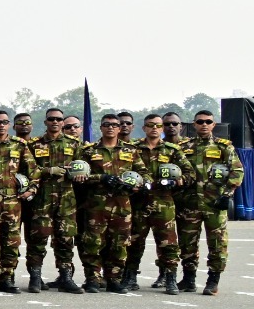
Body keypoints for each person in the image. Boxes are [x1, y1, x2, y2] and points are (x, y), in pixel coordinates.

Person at [77, 114, 147, 293]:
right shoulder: (90, 151)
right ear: (101, 128)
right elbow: (79, 176)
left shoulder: (131, 150)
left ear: (119, 128)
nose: (111, 128)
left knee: (120, 243)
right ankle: (93, 278)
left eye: (115, 125)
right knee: (93, 242)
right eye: (106, 124)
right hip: (96, 205)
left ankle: (114, 278)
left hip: (122, 204)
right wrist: (101, 178)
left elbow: (144, 174)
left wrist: (136, 184)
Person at [177, 110, 244, 295]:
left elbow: (237, 171)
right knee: (187, 243)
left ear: (214, 125)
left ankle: (213, 281)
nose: (204, 124)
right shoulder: (184, 147)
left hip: (215, 203)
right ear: (194, 124)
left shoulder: (224, 147)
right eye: (200, 121)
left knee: (217, 243)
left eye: (208, 121)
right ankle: (189, 279)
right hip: (189, 203)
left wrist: (228, 193)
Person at [124, 114, 191, 294]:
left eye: (158, 125)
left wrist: (176, 182)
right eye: (150, 125)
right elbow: (123, 171)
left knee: (168, 243)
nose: (154, 128)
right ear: (143, 128)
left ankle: (170, 279)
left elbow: (189, 173)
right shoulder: (133, 149)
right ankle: (130, 277)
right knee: (134, 242)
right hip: (139, 203)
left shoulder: (172, 150)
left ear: (162, 129)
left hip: (164, 203)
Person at [0, 110, 38, 293]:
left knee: (11, 242)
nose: (1, 125)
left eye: (4, 122)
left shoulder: (19, 145)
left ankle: (7, 277)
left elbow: (33, 170)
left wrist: (31, 190)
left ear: (9, 125)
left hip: (13, 201)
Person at [26, 108, 85, 293]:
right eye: (51, 119)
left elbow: (83, 167)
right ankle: (35, 278)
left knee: (66, 239)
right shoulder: (34, 145)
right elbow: (28, 169)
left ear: (62, 122)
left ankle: (65, 277)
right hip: (42, 198)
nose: (55, 122)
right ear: (45, 122)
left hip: (66, 198)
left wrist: (80, 174)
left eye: (59, 119)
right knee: (38, 238)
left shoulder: (74, 144)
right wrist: (48, 170)